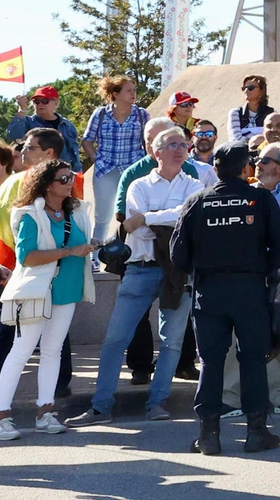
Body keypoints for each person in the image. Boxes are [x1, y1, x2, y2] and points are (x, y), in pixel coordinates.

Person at [67, 127, 201, 427]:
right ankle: (101, 407)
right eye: (171, 145)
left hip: (178, 272)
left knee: (172, 342)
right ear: (155, 151)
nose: (179, 149)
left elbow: (189, 218)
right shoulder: (138, 184)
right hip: (141, 269)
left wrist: (152, 216)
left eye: (183, 144)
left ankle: (158, 403)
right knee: (115, 340)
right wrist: (168, 218)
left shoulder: (195, 185)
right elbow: (134, 227)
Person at [171, 143, 280, 455]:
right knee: (252, 359)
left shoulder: (197, 200)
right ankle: (256, 432)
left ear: (216, 169)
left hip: (209, 292)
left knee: (211, 362)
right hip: (250, 290)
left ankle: (208, 435)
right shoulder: (261, 199)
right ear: (245, 169)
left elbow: (177, 254)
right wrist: (258, 268)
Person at [0, 158, 95, 442]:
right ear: (45, 185)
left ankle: (45, 414)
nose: (70, 182)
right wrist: (71, 252)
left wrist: (90, 248)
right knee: (21, 351)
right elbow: (28, 257)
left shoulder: (77, 211)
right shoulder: (29, 214)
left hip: (66, 291)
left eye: (71, 177)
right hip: (35, 292)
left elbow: (80, 246)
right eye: (63, 179)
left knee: (52, 351)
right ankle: (0, 418)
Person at [236, 143, 280, 418]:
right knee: (239, 326)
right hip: (248, 262)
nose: (259, 165)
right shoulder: (247, 191)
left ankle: (279, 394)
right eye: (258, 160)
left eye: (265, 160)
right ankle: (232, 396)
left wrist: (260, 208)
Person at [81, 76, 150, 242]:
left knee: (135, 211)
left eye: (134, 90)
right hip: (106, 169)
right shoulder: (101, 114)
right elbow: (87, 140)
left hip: (134, 169)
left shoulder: (142, 115)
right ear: (115, 94)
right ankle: (96, 255)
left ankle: (131, 251)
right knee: (103, 214)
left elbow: (150, 140)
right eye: (128, 90)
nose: (133, 94)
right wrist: (96, 158)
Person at [3, 86, 81, 169]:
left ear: (56, 102)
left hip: (66, 174)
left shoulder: (67, 125)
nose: (40, 104)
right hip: (39, 174)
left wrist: (77, 172)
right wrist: (22, 109)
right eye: (36, 102)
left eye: (45, 101)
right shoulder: (27, 122)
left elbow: (74, 154)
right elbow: (13, 135)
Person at [228, 74, 274, 146]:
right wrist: (255, 142)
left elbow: (275, 137)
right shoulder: (235, 113)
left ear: (262, 91)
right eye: (244, 88)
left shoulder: (272, 114)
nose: (246, 90)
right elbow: (235, 138)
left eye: (250, 88)